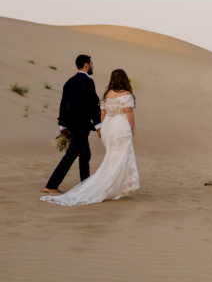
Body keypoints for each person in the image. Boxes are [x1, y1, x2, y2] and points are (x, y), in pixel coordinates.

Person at [42, 69, 140, 205]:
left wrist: (102, 127)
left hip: (107, 128)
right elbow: (127, 110)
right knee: (117, 158)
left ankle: (92, 184)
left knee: (103, 156)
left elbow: (101, 113)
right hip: (117, 127)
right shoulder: (124, 93)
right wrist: (133, 126)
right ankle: (54, 184)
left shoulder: (106, 94)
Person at [43, 55, 102, 194]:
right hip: (82, 125)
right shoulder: (88, 81)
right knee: (71, 154)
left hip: (71, 124)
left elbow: (63, 105)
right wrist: (98, 125)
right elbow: (91, 106)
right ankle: (52, 184)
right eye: (92, 63)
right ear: (86, 65)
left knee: (85, 154)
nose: (93, 66)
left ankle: (85, 185)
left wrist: (62, 126)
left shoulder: (69, 82)